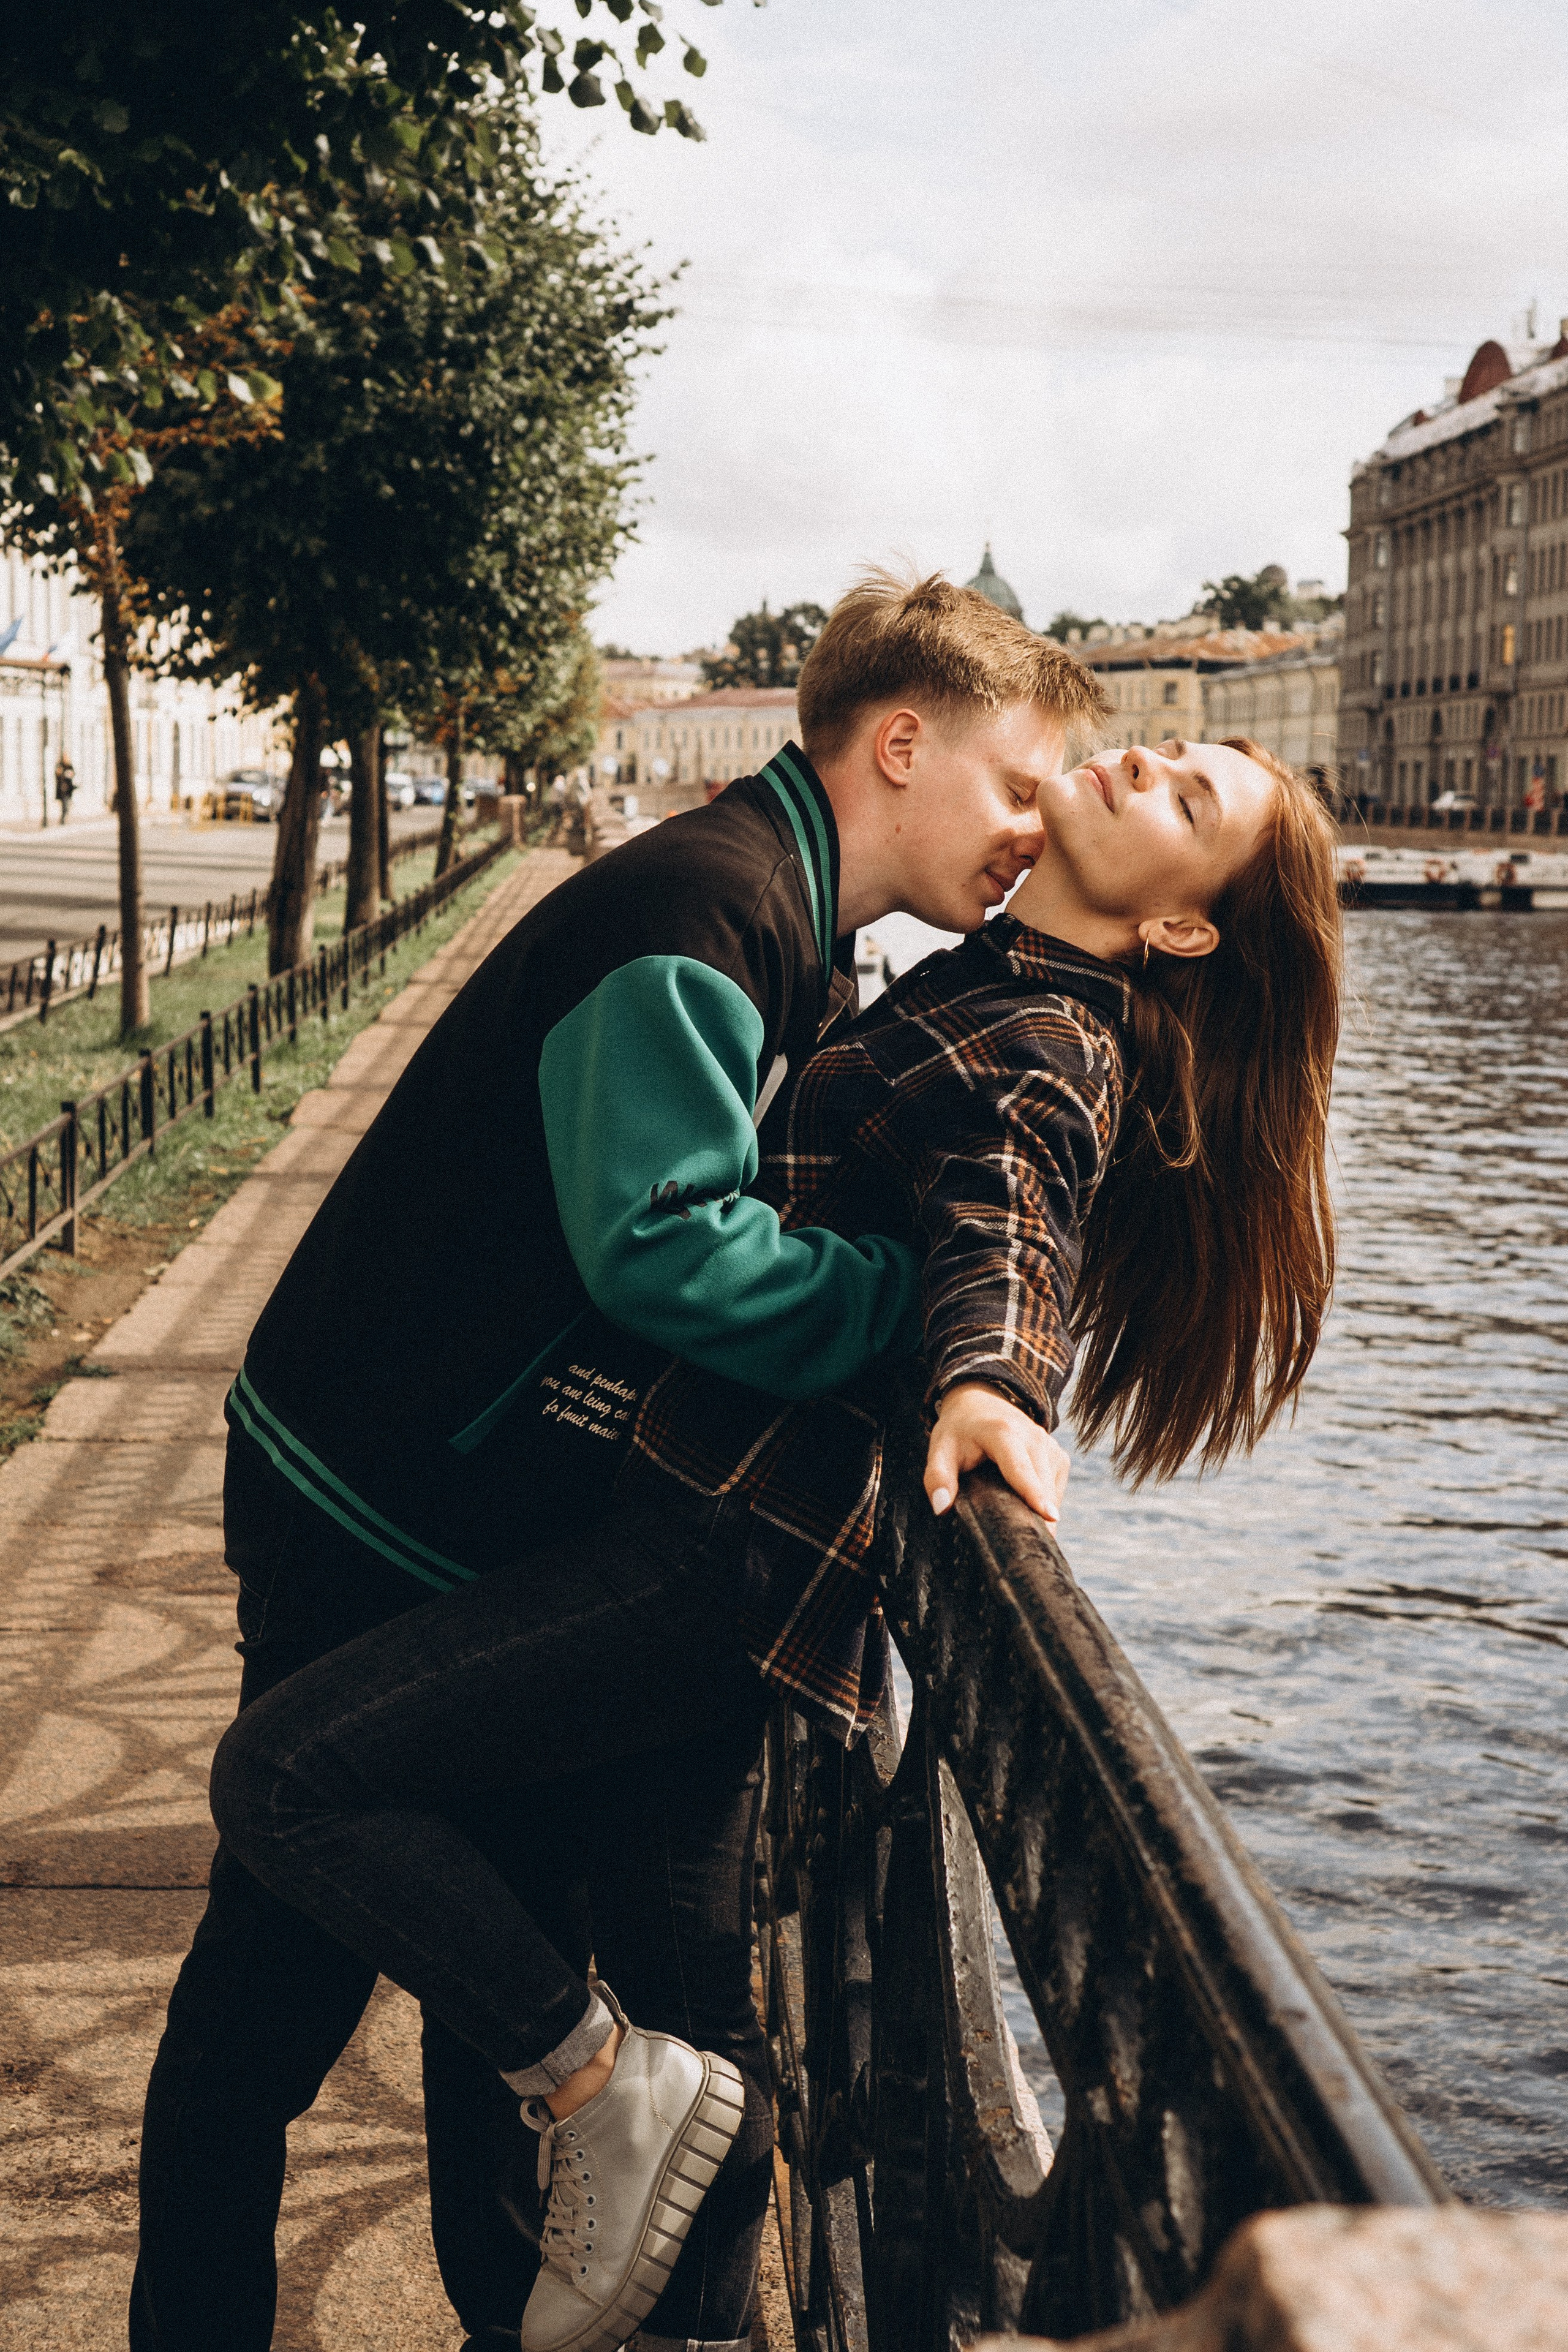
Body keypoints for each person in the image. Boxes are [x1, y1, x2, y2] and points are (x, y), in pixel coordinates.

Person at [206, 726, 1343, 2352]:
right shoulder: (977, 975)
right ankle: (654, 2189)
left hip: (721, 1568)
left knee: (289, 1780)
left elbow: (1010, 1211)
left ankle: (589, 2078)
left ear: (1181, 928)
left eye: (1190, 798)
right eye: (1163, 748)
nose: (1143, 762)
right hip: (717, 1564)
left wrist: (995, 1379)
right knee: (707, 2054)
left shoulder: (1046, 1040)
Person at [130, 573, 1106, 2352]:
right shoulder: (708, 911)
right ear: (904, 745)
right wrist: (907, 1316)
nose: (1034, 834)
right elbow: (668, 1250)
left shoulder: (762, 905)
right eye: (1021, 785)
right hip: (388, 1495)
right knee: (266, 1999)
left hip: (427, 1482)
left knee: (369, 1992)